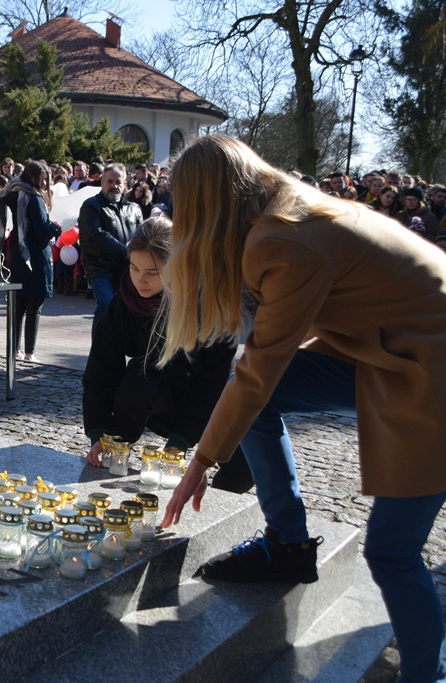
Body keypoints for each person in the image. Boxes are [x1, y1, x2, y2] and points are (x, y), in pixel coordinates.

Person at [158, 134, 446, 683]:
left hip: (430, 368)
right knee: (254, 396)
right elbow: (257, 369)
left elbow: (259, 371)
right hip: (394, 352)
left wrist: (202, 461)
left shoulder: (282, 239)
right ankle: (287, 542)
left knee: (392, 551)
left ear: (204, 206)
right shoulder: (285, 212)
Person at [82, 217, 253, 493]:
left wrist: (181, 444)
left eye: (153, 271)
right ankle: (120, 444)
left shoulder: (211, 306)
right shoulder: (125, 300)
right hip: (156, 391)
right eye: (134, 267)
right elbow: (100, 371)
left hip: (209, 399)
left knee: (247, 464)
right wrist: (99, 432)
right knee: (139, 378)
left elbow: (211, 386)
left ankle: (209, 505)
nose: (140, 279)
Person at [0, 160, 60, 362]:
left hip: (19, 256)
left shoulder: (14, 193)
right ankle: (29, 352)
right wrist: (56, 228)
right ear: (34, 178)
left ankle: (14, 350)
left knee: (19, 306)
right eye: (41, 180)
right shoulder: (33, 198)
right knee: (34, 306)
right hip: (34, 258)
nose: (44, 185)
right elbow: (41, 232)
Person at [78, 162, 143, 331]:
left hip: (127, 268)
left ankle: (118, 348)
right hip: (100, 267)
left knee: (127, 308)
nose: (114, 186)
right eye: (109, 181)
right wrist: (125, 251)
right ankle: (99, 353)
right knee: (107, 303)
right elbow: (96, 234)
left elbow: (142, 235)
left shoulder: (134, 209)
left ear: (125, 184)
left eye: (118, 182)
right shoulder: (91, 206)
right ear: (102, 182)